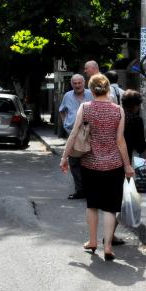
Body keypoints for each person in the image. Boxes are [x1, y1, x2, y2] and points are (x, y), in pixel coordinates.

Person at [59, 73, 135, 261]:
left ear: (91, 90)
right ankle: (108, 245)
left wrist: (64, 157)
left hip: (90, 164)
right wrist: (127, 165)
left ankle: (92, 241)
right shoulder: (118, 110)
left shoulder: (85, 107)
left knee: (92, 205)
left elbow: (74, 134)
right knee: (110, 208)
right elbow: (120, 141)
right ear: (108, 88)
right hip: (114, 165)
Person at [59, 74, 93, 199]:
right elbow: (62, 111)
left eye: (79, 83)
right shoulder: (67, 96)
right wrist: (65, 124)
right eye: (75, 83)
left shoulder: (91, 94)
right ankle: (80, 190)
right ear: (71, 84)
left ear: (84, 82)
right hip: (72, 133)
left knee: (88, 161)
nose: (77, 85)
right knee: (74, 163)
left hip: (88, 134)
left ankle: (89, 190)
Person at [121, 89, 146, 163]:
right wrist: (145, 142)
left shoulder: (116, 115)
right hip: (125, 159)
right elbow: (140, 147)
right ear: (135, 106)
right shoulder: (136, 120)